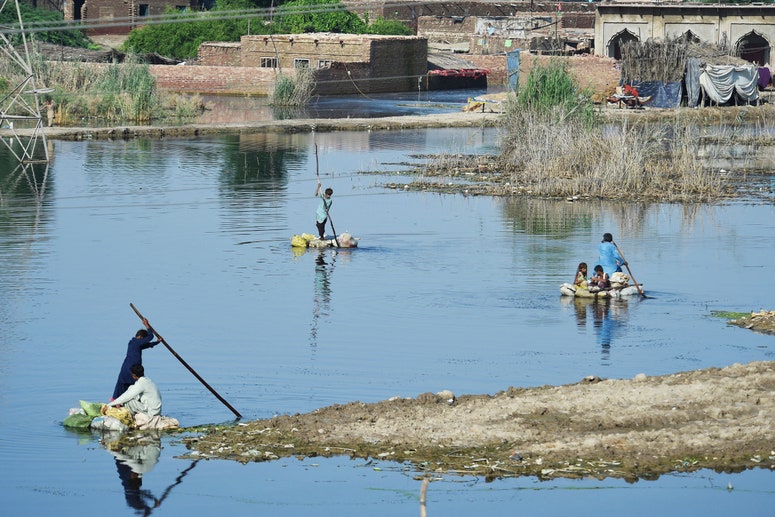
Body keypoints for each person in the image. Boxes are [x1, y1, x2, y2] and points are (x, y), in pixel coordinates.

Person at [112, 318, 159, 400]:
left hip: (129, 368)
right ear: (140, 337)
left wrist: (157, 342)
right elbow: (150, 336)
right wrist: (147, 325)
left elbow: (147, 345)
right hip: (131, 369)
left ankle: (121, 402)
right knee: (131, 386)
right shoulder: (135, 341)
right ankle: (118, 403)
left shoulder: (134, 343)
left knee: (127, 386)